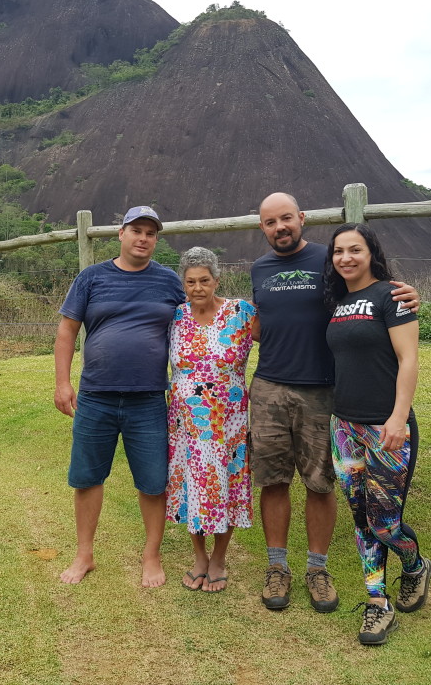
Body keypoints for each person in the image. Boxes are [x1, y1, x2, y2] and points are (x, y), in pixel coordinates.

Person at [250, 193, 419, 613]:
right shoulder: (259, 268)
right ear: (263, 227)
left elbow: (372, 293)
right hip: (269, 386)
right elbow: (260, 321)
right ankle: (277, 566)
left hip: (323, 389)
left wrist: (409, 296)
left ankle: (317, 569)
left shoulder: (330, 259)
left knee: (320, 482)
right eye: (270, 222)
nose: (280, 228)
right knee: (272, 480)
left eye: (286, 218)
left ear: (301, 218)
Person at [54, 205, 185, 587]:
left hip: (148, 400)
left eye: (151, 233)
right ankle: (84, 555)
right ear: (121, 233)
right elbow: (67, 333)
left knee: (153, 482)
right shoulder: (91, 278)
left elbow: (197, 320)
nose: (143, 238)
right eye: (137, 230)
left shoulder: (169, 281)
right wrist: (63, 383)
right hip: (96, 396)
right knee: (87, 477)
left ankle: (152, 555)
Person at [323, 222, 431, 645]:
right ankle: (377, 604)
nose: (346, 257)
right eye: (338, 251)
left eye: (355, 249)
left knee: (385, 524)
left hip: (387, 427)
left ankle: (415, 565)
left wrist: (398, 418)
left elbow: (408, 360)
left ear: (371, 253)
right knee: (360, 520)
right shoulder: (337, 302)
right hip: (344, 427)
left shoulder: (392, 296)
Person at [166, 247, 259, 592]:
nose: (197, 287)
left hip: (228, 424)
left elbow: (282, 336)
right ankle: (199, 557)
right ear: (183, 284)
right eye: (190, 282)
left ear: (217, 280)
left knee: (227, 486)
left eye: (204, 280)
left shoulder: (241, 312)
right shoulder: (175, 317)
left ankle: (219, 557)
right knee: (193, 486)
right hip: (186, 425)